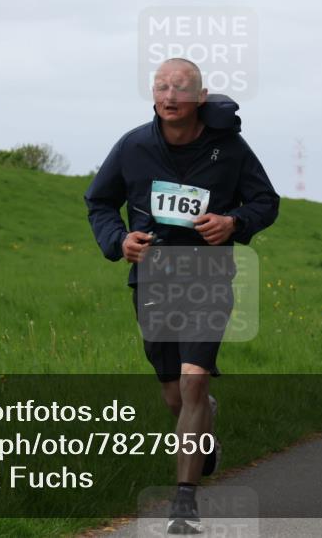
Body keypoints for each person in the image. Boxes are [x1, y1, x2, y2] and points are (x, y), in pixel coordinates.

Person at [85, 58, 279, 534]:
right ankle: (204, 424)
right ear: (153, 94)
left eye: (181, 88)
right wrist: (119, 241)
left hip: (208, 277)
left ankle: (184, 504)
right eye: (161, 86)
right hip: (152, 281)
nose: (170, 96)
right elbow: (99, 202)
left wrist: (233, 222)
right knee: (175, 394)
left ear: (200, 96)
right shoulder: (133, 147)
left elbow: (265, 202)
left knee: (193, 381)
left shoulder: (229, 149)